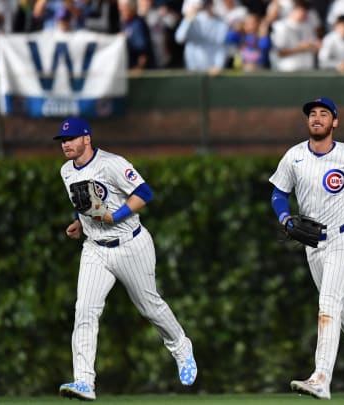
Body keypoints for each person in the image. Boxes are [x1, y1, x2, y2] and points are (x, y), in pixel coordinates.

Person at [54, 117, 198, 401]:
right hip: (95, 248)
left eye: (71, 139)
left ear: (87, 139)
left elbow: (144, 193)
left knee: (150, 306)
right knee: (85, 310)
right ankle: (84, 381)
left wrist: (114, 216)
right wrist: (80, 223)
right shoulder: (66, 171)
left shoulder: (112, 163)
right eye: (62, 140)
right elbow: (84, 204)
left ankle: (181, 346)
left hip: (130, 243)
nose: (66, 144)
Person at [269, 97, 344, 400]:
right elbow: (278, 193)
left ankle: (321, 378)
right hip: (313, 243)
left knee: (328, 304)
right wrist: (284, 217)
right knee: (340, 306)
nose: (317, 118)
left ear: (335, 122)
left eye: (324, 114)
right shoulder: (294, 156)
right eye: (312, 114)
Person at [174, 0, 229, 74]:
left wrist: (218, 66)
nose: (208, 6)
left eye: (210, 3)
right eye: (206, 3)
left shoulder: (222, 23)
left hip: (212, 71)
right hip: (192, 69)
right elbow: (179, 38)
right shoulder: (192, 20)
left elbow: (221, 46)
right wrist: (189, 17)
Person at [118, 0, 156, 72]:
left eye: (124, 9)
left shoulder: (138, 25)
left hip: (143, 73)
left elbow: (143, 51)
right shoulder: (125, 23)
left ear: (132, 9)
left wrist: (138, 67)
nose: (121, 11)